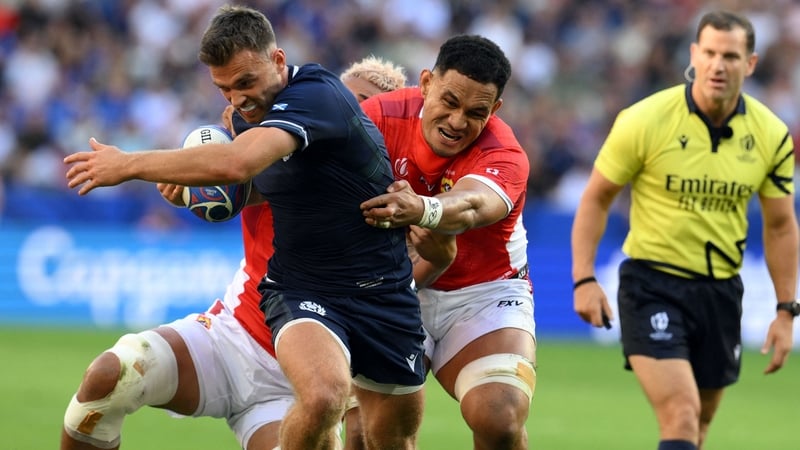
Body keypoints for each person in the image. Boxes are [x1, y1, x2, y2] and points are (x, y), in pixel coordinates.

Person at [64, 5, 428, 450]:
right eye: (226, 89)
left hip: (310, 370)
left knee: (342, 416)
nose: (356, 119)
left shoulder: (394, 196)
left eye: (368, 113)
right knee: (109, 376)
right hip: (236, 336)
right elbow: (231, 188)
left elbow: (237, 164)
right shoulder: (265, 124)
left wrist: (128, 164)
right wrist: (189, 191)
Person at [571, 10, 798, 450]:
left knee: (700, 425)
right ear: (694, 54)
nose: (718, 65)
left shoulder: (771, 134)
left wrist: (786, 309)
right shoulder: (645, 119)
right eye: (709, 52)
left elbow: (781, 225)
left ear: (750, 63)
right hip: (651, 285)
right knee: (681, 412)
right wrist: (583, 278)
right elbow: (596, 198)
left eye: (730, 56)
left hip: (721, 292)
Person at [358, 35, 536, 450]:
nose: (458, 121)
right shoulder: (377, 119)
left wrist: (420, 208)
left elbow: (474, 205)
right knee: (372, 435)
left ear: (495, 110)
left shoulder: (505, 152)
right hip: (393, 291)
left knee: (499, 416)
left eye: (476, 112)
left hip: (484, 293)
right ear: (425, 83)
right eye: (449, 102)